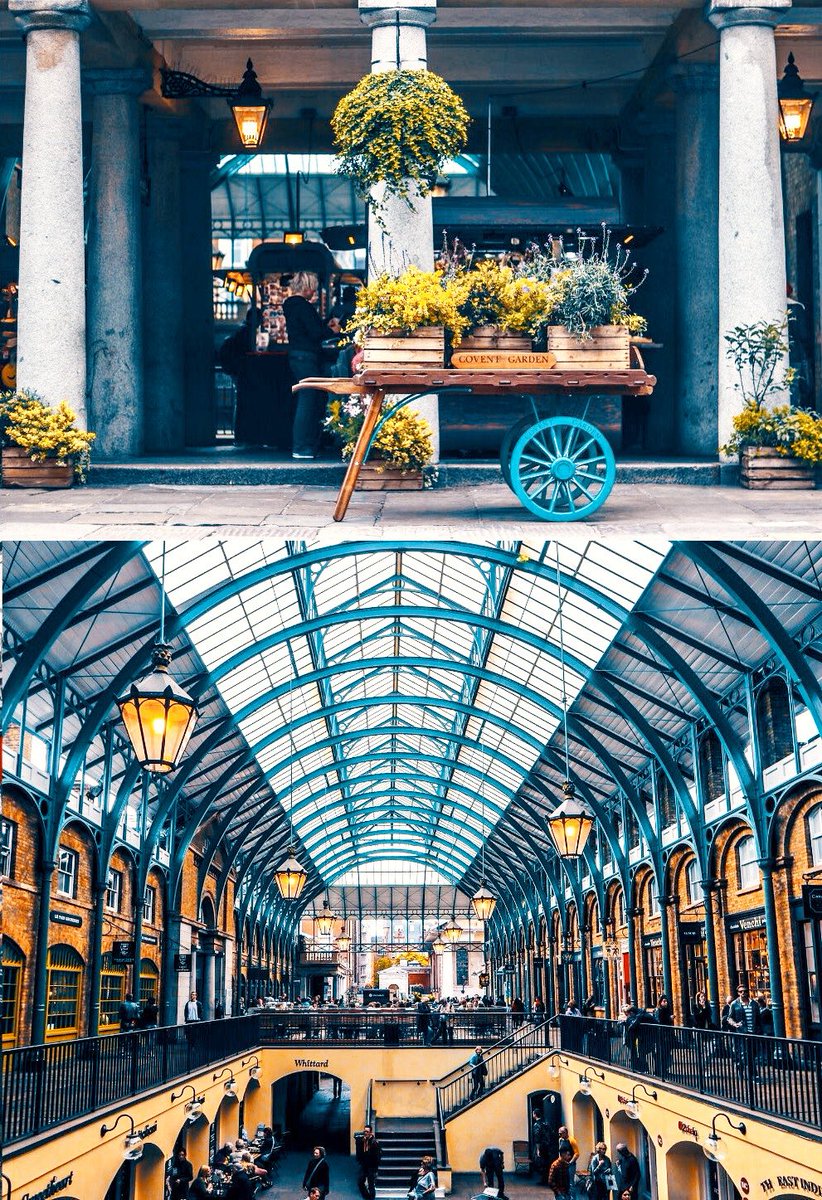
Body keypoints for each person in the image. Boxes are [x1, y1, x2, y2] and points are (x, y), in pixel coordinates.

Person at [283, 271, 339, 460]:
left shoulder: (292, 306)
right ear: (306, 288)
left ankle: (302, 445)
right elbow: (315, 333)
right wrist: (332, 329)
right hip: (307, 358)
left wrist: (324, 326)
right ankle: (301, 446)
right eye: (313, 288)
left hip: (298, 357)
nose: (314, 292)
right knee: (307, 400)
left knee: (306, 399)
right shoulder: (303, 307)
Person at [356, 1125, 381, 1200]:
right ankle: (367, 1197)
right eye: (364, 1131)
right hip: (364, 1165)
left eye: (367, 1131)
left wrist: (375, 1169)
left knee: (371, 1185)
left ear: (370, 1133)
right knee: (360, 1182)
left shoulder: (374, 1143)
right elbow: (359, 1153)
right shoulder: (363, 1141)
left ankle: (371, 1198)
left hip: (371, 1167)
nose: (365, 1133)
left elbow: (377, 1157)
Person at [557, 1126, 579, 1193]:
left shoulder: (571, 1141)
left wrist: (570, 1163)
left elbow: (577, 1153)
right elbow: (560, 1151)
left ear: (565, 1133)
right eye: (559, 1133)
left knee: (571, 1183)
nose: (559, 1135)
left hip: (570, 1165)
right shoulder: (560, 1140)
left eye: (561, 1133)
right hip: (562, 1164)